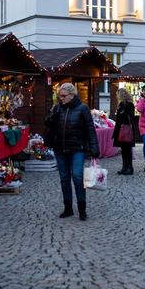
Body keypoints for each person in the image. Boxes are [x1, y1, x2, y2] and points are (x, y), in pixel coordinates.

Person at [45, 82, 99, 221]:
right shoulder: (57, 108)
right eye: (59, 96)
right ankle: (68, 208)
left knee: (77, 176)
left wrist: (94, 148)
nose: (61, 98)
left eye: (63, 96)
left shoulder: (83, 108)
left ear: (72, 95)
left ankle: (82, 208)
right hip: (60, 148)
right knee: (64, 178)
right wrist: (54, 115)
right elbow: (48, 124)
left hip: (77, 148)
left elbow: (90, 129)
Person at [113, 88, 135, 175]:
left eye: (118, 94)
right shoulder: (121, 104)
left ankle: (129, 167)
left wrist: (123, 112)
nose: (117, 96)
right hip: (120, 129)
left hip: (126, 130)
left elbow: (130, 117)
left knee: (127, 150)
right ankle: (124, 167)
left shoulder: (129, 104)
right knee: (123, 150)